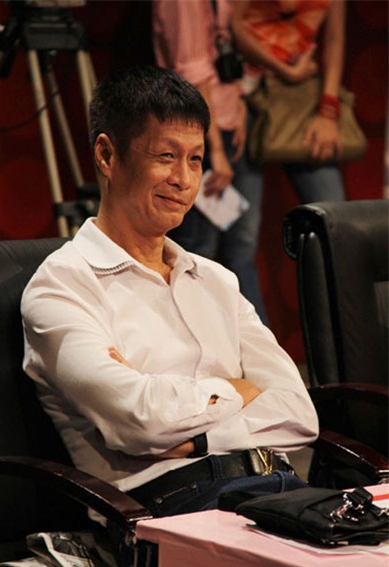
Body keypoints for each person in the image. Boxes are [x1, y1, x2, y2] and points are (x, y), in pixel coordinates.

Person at [21, 66, 318, 526]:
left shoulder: (216, 280)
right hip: (172, 511)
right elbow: (140, 420)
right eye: (166, 156)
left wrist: (198, 437)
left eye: (195, 159)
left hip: (279, 488)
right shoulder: (62, 286)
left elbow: (299, 413)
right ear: (107, 155)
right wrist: (239, 389)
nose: (183, 179)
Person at [152, 0, 268, 323]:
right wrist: (212, 149)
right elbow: (192, 73)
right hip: (200, 132)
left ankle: (253, 345)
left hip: (233, 123)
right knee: (195, 248)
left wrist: (241, 104)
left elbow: (233, 46)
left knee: (242, 245)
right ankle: (190, 337)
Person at [231, 0, 347, 200]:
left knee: (331, 206)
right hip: (246, 90)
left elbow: (334, 39)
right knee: (244, 210)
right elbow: (233, 25)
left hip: (300, 95)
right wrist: (288, 72)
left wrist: (328, 111)